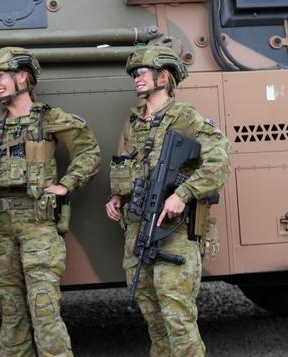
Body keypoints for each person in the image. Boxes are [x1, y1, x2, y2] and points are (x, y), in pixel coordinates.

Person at [0, 47, 101, 356]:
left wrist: (64, 186)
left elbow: (89, 153)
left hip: (38, 223)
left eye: (1, 77)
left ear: (22, 76)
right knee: (11, 313)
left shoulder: (49, 118)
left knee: (44, 308)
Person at [105, 44, 230, 357]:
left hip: (174, 231)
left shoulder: (184, 118)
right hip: (138, 231)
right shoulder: (133, 123)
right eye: (134, 73)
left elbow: (219, 160)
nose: (136, 78)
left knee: (177, 317)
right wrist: (117, 197)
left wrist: (183, 194)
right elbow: (131, 168)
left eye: (142, 72)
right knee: (153, 316)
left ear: (163, 76)